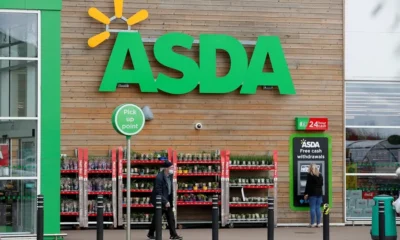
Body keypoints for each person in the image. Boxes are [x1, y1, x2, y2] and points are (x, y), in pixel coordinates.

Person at [147, 161, 182, 240]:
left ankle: (173, 235)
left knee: (170, 217)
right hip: (160, 201)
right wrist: (165, 201)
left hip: (168, 200)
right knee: (157, 218)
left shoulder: (170, 175)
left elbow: (169, 188)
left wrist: (170, 200)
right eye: (171, 167)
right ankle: (151, 233)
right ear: (166, 168)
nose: (173, 169)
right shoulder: (159, 177)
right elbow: (158, 192)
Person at [304, 163, 324, 228]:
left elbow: (308, 186)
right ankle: (318, 223)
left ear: (311, 169)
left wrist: (306, 193)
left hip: (312, 194)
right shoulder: (320, 175)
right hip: (319, 194)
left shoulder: (310, 175)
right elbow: (321, 184)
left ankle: (312, 223)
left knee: (312, 208)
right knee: (318, 208)